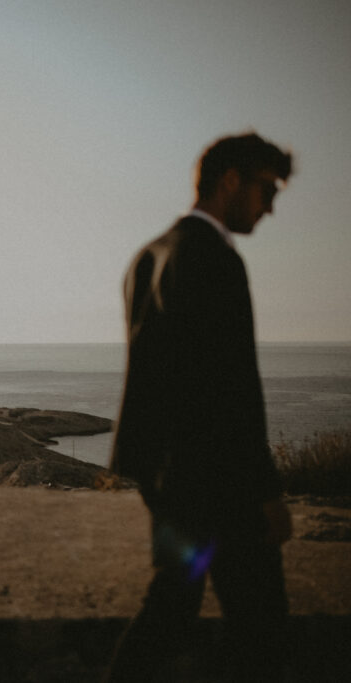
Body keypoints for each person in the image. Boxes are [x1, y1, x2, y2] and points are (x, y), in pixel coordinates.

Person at [105, 133, 295, 682]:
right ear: (230, 180)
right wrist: (265, 492)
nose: (270, 206)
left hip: (164, 475)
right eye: (267, 188)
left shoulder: (149, 255)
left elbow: (160, 380)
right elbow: (230, 386)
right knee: (261, 628)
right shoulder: (213, 258)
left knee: (170, 606)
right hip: (219, 481)